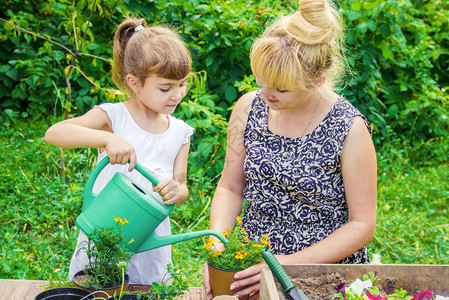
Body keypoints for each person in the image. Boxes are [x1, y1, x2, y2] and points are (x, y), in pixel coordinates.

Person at [202, 0, 377, 298]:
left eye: (281, 88)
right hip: (249, 263)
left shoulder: (350, 128)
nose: (266, 93)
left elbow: (361, 225)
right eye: (261, 79)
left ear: (317, 81)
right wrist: (217, 248)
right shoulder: (248, 107)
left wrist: (282, 266)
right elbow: (231, 188)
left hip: (317, 270)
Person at [45, 16, 194, 285]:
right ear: (134, 83)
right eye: (165, 88)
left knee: (148, 288)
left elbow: (181, 185)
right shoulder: (114, 117)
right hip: (105, 229)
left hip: (149, 236)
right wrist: (106, 139)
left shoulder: (180, 133)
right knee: (98, 288)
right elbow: (54, 133)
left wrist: (178, 191)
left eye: (182, 84)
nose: (177, 95)